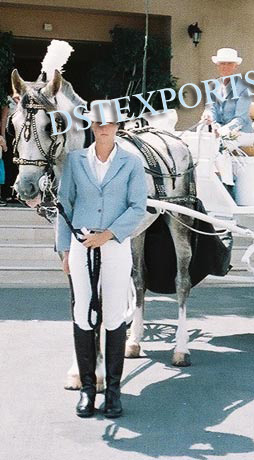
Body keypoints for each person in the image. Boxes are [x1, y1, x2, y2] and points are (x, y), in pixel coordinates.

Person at [56, 100, 147, 418]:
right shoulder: (75, 160)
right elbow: (64, 204)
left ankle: (113, 391)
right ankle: (87, 390)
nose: (104, 127)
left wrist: (107, 235)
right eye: (98, 123)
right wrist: (65, 249)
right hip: (82, 244)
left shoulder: (131, 163)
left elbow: (138, 207)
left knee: (112, 315)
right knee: (82, 311)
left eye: (109, 123)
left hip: (114, 245)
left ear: (118, 126)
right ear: (92, 126)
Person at [201, 48, 254, 189]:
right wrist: (210, 118)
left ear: (235, 66)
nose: (225, 67)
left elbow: (241, 119)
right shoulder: (213, 86)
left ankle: (228, 186)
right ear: (217, 65)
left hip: (242, 133)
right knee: (202, 145)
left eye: (229, 64)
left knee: (220, 147)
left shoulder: (244, 87)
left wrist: (223, 131)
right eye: (222, 64)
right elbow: (211, 109)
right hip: (220, 132)